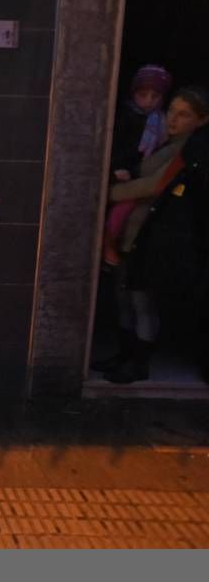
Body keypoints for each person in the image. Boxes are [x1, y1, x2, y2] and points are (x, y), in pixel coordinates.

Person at [97, 86, 209, 383]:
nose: (173, 119)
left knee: (141, 299)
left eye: (183, 114)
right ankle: (125, 354)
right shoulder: (162, 142)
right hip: (132, 231)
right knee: (123, 296)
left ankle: (139, 362)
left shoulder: (190, 149)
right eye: (172, 111)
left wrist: (108, 194)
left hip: (153, 235)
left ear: (201, 120)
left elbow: (156, 184)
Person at [103, 65, 172, 266]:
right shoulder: (123, 116)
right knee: (125, 205)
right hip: (121, 173)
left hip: (139, 173)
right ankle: (108, 241)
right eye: (143, 95)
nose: (149, 101)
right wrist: (118, 169)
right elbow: (115, 145)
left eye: (155, 96)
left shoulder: (161, 121)